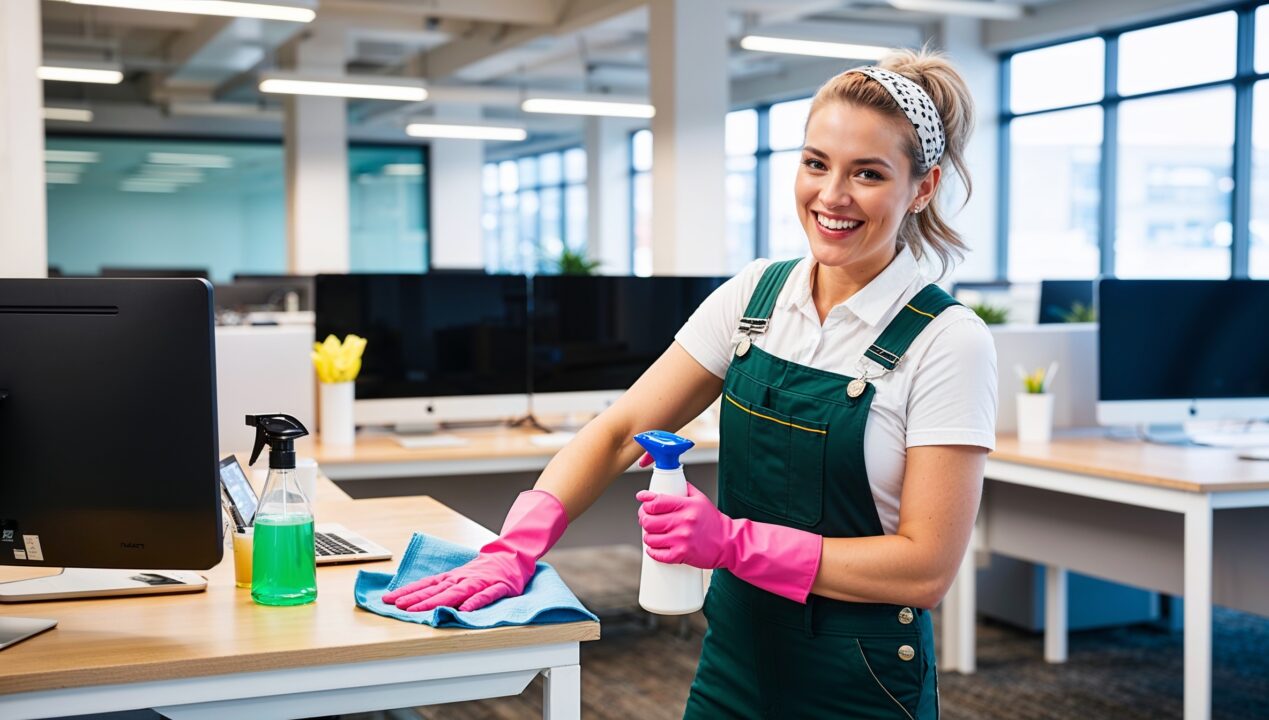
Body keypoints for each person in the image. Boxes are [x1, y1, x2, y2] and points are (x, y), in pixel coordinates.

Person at [383, 47, 996, 719]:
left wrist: (732, 544)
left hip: (860, 681)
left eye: (868, 174)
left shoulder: (946, 340)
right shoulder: (755, 298)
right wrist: (514, 547)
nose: (830, 196)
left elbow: (924, 567)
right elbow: (621, 431)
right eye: (815, 163)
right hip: (734, 661)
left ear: (923, 186)